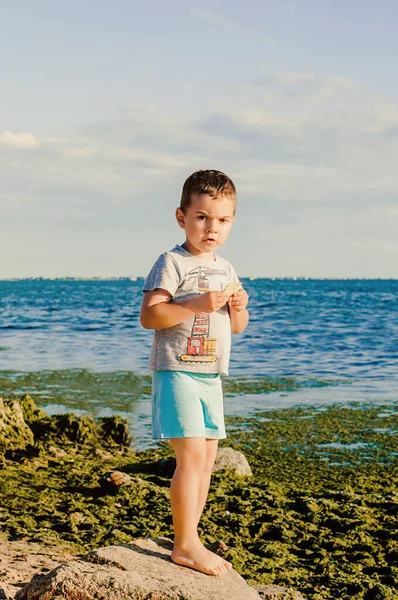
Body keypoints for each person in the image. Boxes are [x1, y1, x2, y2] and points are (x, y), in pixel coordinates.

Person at [140, 169, 249, 576]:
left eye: (222, 220)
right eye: (202, 217)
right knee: (190, 456)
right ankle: (185, 544)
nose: (212, 228)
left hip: (210, 375)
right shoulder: (172, 261)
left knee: (207, 459)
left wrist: (238, 308)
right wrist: (195, 304)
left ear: (232, 222)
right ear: (181, 217)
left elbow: (237, 327)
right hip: (177, 371)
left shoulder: (227, 267)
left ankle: (191, 536)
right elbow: (150, 316)